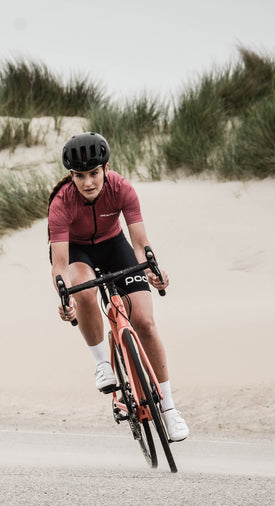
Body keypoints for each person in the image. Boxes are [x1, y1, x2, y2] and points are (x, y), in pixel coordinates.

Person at [49, 132, 189, 442]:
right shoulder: (60, 202)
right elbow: (60, 265)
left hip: (114, 245)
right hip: (77, 251)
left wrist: (153, 272)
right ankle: (103, 363)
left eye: (94, 173)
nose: (88, 182)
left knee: (145, 323)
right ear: (70, 175)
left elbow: (140, 244)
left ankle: (169, 410)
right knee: (83, 288)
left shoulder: (122, 189)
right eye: (80, 175)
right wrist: (64, 297)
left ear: (106, 168)